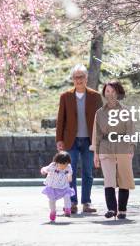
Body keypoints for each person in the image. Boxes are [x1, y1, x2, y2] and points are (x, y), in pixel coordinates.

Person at [55, 64, 103, 214]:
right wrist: (59, 139)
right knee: (70, 172)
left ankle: (86, 203)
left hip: (89, 141)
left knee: (88, 172)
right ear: (72, 79)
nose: (79, 80)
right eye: (76, 77)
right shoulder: (65, 96)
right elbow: (60, 120)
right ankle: (72, 202)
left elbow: (101, 120)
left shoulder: (95, 96)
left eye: (81, 76)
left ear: (86, 78)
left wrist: (100, 141)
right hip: (71, 141)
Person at [90, 80, 136, 220]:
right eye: (107, 91)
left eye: (113, 91)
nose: (110, 94)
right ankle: (111, 209)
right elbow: (96, 134)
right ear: (104, 93)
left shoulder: (126, 111)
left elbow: (131, 130)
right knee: (108, 179)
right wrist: (96, 153)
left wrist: (131, 147)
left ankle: (122, 210)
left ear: (118, 93)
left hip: (122, 145)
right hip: (105, 146)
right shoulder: (99, 113)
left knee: (124, 178)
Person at [40, 151, 75, 222]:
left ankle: (67, 209)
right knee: (52, 201)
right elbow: (45, 169)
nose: (63, 166)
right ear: (57, 162)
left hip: (64, 187)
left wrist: (69, 177)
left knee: (67, 196)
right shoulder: (53, 165)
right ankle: (53, 212)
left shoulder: (68, 167)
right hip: (53, 187)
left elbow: (70, 175)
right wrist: (43, 171)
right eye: (61, 164)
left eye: (65, 164)